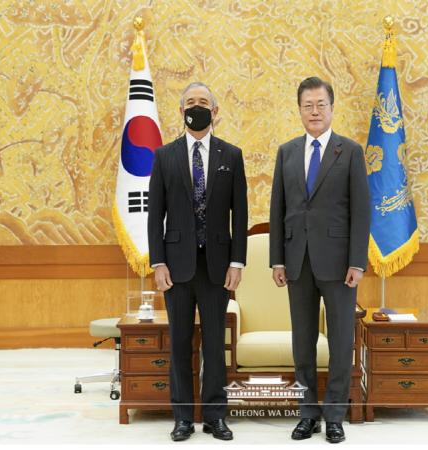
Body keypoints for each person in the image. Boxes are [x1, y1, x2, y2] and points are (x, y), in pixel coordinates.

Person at [269, 76, 370, 443]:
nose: (314, 111)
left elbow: (361, 210)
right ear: (299, 110)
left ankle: (335, 416)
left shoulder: (350, 151)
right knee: (303, 343)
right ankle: (307, 413)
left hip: (340, 264)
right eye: (307, 106)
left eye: (320, 105)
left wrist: (357, 261)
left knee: (341, 342)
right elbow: (278, 209)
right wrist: (277, 260)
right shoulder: (287, 152)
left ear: (331, 108)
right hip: (297, 261)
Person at [148, 82, 248, 442]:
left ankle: (215, 416)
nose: (197, 107)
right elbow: (155, 215)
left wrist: (237, 263)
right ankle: (182, 418)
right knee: (179, 343)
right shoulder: (164, 156)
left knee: (214, 345)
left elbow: (241, 213)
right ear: (181, 111)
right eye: (190, 102)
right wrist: (158, 263)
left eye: (203, 102)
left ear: (215, 111)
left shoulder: (231, 155)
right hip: (176, 268)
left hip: (217, 267)